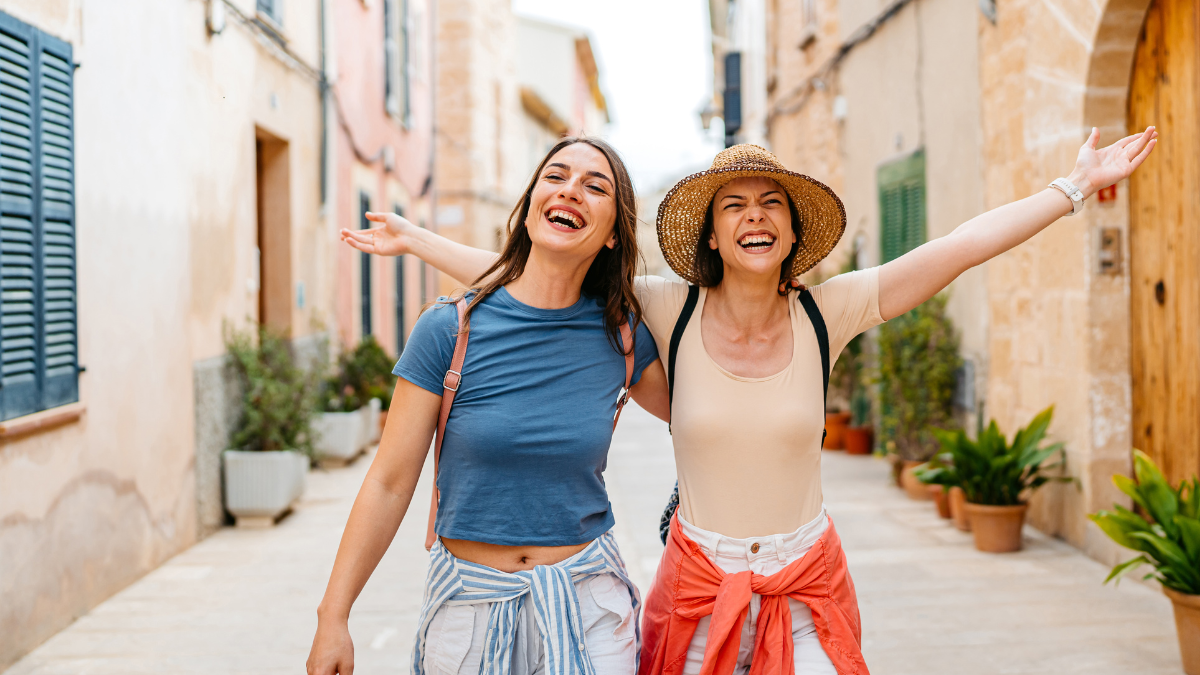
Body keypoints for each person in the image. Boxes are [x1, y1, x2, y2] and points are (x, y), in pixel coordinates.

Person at [342, 127, 1157, 675]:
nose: (754, 215)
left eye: (771, 203)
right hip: (698, 585)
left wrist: (1073, 187)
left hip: (806, 583)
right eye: (734, 204)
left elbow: (955, 249)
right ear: (713, 234)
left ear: (793, 231)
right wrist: (418, 241)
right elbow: (548, 267)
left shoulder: (826, 311)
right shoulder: (665, 308)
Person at [306, 137, 669, 675]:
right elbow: (388, 481)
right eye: (556, 176)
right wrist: (333, 616)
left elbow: (700, 419)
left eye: (596, 187)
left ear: (615, 232)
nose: (571, 190)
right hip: (468, 611)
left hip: (590, 607)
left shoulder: (623, 334)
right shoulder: (449, 329)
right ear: (527, 210)